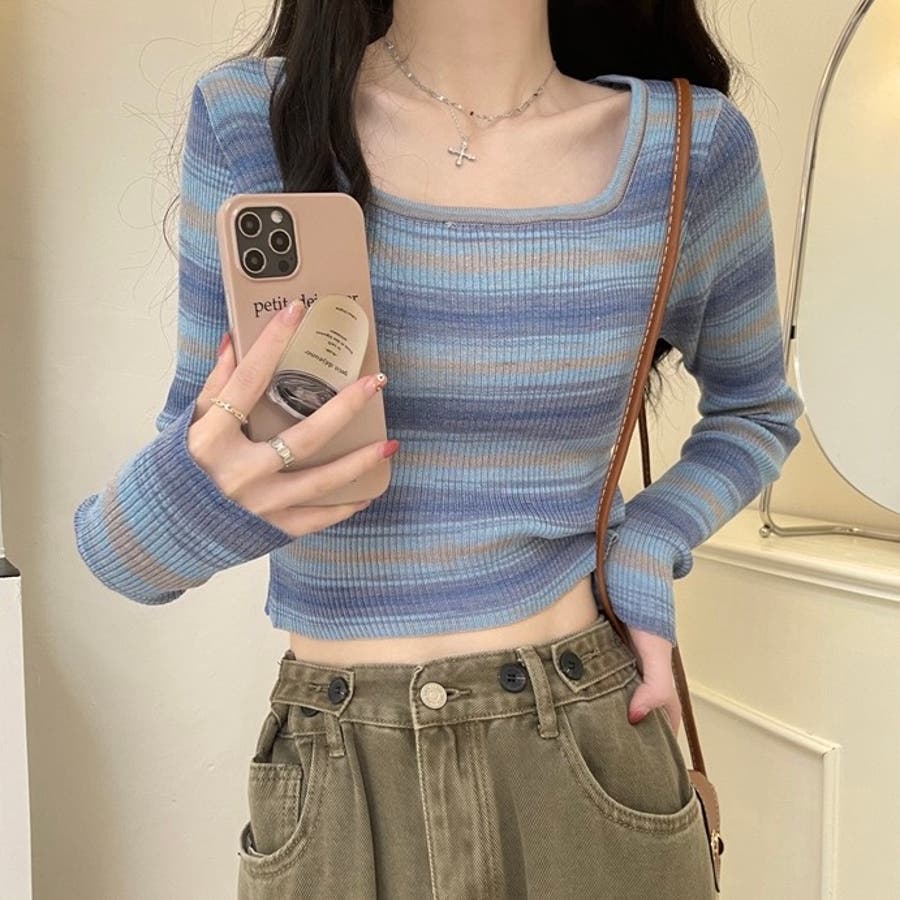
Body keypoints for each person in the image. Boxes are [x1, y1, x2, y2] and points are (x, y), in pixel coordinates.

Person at [73, 1, 805, 896]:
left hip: (588, 746)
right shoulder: (255, 122)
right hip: (341, 776)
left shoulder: (691, 149)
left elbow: (756, 410)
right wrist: (208, 492)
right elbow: (127, 558)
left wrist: (645, 545)